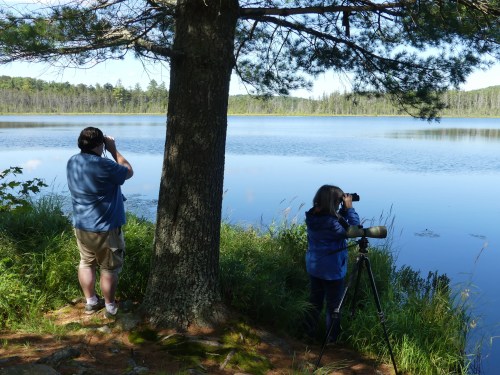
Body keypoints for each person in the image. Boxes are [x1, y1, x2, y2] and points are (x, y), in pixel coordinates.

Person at [67, 127, 133, 318]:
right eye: (102, 143)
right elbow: (128, 171)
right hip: (105, 228)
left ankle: (91, 302)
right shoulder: (105, 165)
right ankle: (110, 307)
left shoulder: (73, 161)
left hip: (81, 225)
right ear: (99, 145)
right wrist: (113, 150)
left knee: (86, 263)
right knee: (109, 267)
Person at [304, 184, 360, 343]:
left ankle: (308, 334)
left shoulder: (312, 216)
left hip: (315, 267)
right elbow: (354, 230)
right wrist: (349, 209)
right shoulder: (331, 223)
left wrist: (341, 211)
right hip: (332, 271)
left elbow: (335, 221)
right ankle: (331, 340)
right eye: (339, 200)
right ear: (333, 202)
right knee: (334, 306)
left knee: (314, 302)